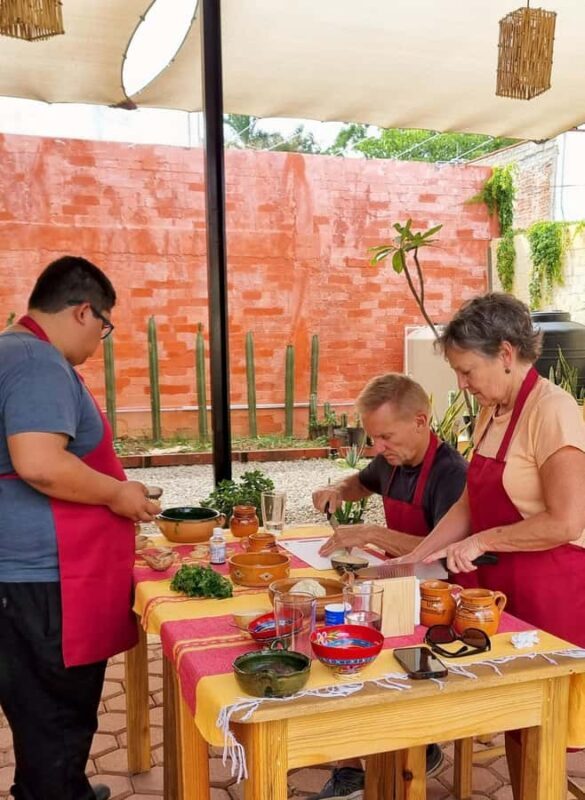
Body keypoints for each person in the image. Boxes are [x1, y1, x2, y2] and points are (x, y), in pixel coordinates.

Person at [393, 292, 585, 798]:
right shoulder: (493, 411)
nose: (461, 383)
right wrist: (419, 555)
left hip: (551, 588)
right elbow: (467, 504)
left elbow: (566, 521)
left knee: (543, 725)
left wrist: (482, 541)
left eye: (466, 370)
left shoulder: (553, 411)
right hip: (501, 589)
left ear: (505, 353)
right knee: (517, 721)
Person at [0, 256, 159, 800]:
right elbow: (39, 462)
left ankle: (57, 786)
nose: (100, 342)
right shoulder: (37, 360)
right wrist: (119, 492)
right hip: (43, 582)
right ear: (84, 310)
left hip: (23, 579)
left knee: (40, 718)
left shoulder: (9, 351)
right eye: (105, 326)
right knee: (58, 716)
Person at [309, 373, 468, 800]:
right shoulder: (391, 460)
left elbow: (443, 549)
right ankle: (353, 761)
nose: (377, 447)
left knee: (346, 641)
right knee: (326, 626)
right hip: (398, 586)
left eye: (384, 437)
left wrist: (373, 533)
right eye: (373, 438)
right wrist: (335, 489)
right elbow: (359, 482)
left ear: (420, 421)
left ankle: (412, 745)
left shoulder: (451, 472)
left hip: (439, 602)